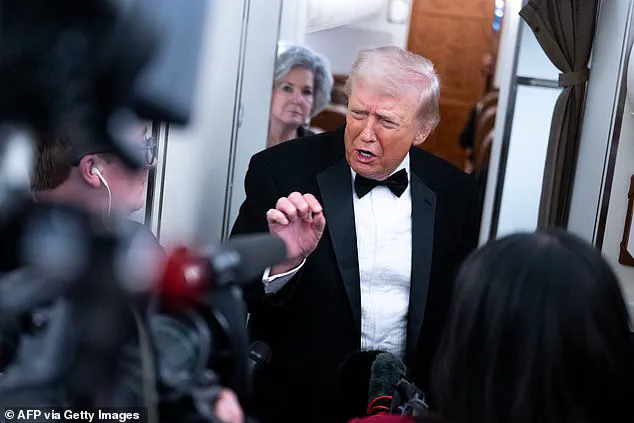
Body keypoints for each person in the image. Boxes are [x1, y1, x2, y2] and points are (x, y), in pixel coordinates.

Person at [231, 45, 478, 423]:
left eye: (387, 122)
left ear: (422, 130)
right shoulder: (281, 170)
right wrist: (283, 264)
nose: (366, 133)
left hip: (407, 406)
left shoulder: (456, 194)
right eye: (358, 113)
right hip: (300, 402)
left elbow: (461, 314)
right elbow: (233, 287)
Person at [267, 42, 333, 148]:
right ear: (270, 91)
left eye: (306, 92)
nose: (297, 100)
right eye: (287, 88)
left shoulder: (318, 147)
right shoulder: (245, 135)